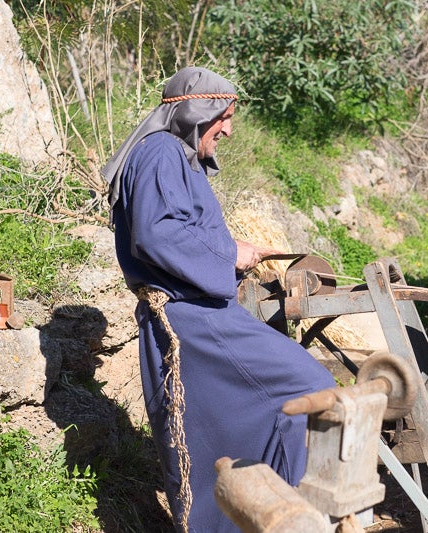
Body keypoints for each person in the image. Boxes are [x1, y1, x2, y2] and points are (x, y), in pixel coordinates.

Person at [101, 67, 336, 532]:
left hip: (201, 311)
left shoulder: (172, 155)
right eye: (224, 117)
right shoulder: (160, 153)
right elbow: (157, 235)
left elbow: (177, 229)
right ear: (196, 111)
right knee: (307, 385)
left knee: (242, 421)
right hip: (187, 319)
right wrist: (232, 252)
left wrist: (235, 250)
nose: (228, 128)